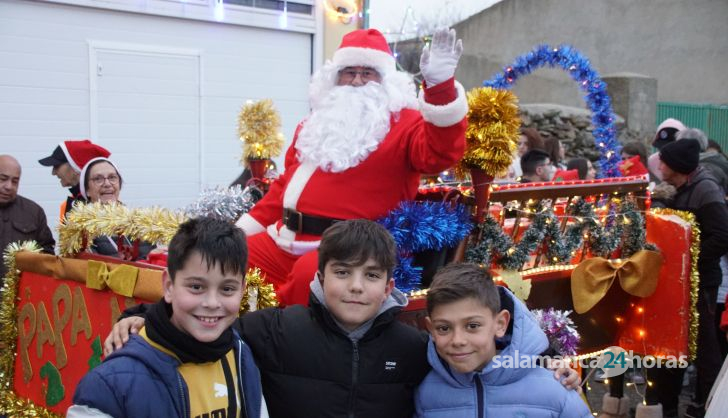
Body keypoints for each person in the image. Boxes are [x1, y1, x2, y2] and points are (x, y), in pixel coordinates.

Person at [107, 220, 581, 418]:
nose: (356, 286)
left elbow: (483, 366)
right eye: (343, 272)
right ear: (321, 275)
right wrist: (141, 316)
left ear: (389, 282)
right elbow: (208, 317)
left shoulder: (415, 349)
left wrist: (551, 362)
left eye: (371, 275)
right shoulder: (274, 329)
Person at [234, 27, 468, 306]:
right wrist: (240, 232)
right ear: (335, 78)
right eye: (349, 72)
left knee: (310, 279)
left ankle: (286, 344)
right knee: (233, 263)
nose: (357, 81)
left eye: (367, 73)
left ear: (386, 81)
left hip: (352, 251)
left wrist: (440, 87)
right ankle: (247, 329)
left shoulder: (406, 123)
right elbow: (284, 189)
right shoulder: (317, 124)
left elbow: (440, 154)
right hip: (282, 240)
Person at [67, 217, 266, 418]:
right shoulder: (110, 386)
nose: (212, 303)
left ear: (242, 290)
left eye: (227, 289)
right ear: (169, 287)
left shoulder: (241, 356)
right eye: (196, 287)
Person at [415, 263, 590, 417]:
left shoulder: (555, 391)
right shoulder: (426, 394)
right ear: (430, 329)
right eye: (444, 328)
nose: (458, 340)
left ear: (500, 324)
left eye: (472, 326)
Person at [648, 138, 728, 417]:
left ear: (679, 167)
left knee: (705, 347)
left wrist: (689, 260)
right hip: (673, 283)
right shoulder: (673, 189)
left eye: (665, 160)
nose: (660, 164)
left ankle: (710, 406)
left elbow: (722, 236)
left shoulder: (706, 191)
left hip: (700, 283)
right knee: (672, 343)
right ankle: (667, 403)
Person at [79, 157, 153, 260]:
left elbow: (151, 257)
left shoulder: (138, 220)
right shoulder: (80, 227)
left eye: (112, 177)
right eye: (98, 179)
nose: (107, 184)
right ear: (87, 190)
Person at [0, 155, 55, 278]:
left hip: (21, 293)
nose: (8, 186)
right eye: (3, 179)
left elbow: (47, 254)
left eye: (15, 181)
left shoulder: (34, 212)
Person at [38, 139, 111, 220]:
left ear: (76, 168)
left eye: (57, 166)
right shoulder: (69, 204)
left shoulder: (105, 206)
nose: (53, 172)